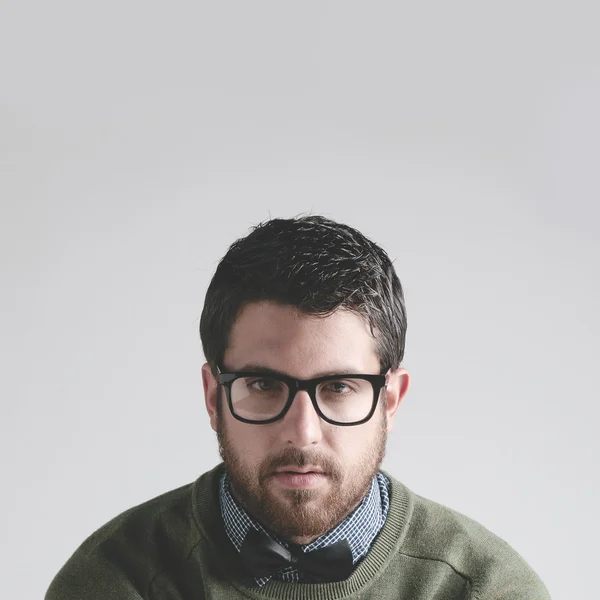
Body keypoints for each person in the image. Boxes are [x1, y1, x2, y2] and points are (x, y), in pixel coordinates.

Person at [46, 215, 551, 599]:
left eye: (338, 387)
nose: (302, 432)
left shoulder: (484, 588)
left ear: (390, 400)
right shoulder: (117, 577)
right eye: (264, 384)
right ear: (212, 395)